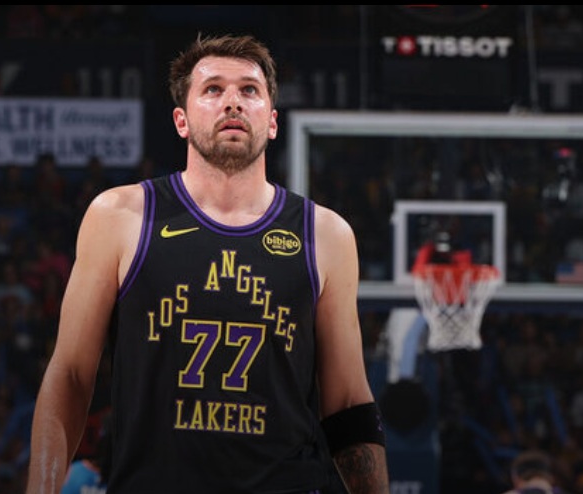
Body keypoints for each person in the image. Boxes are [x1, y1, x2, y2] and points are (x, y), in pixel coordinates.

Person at [27, 33, 389, 493]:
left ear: (272, 122)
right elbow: (71, 376)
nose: (232, 101)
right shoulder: (120, 216)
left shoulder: (326, 235)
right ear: (181, 120)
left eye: (249, 90)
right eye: (213, 89)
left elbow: (349, 402)